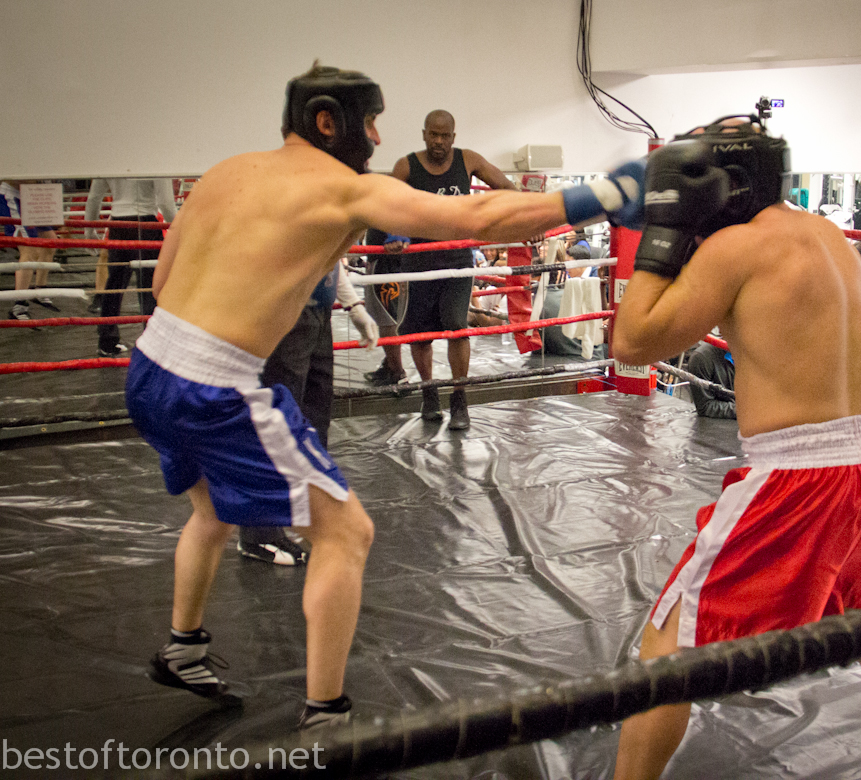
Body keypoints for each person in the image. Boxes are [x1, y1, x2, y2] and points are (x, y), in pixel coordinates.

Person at [128, 61, 643, 728]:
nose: (376, 136)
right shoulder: (346, 189)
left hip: (150, 368)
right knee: (347, 534)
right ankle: (328, 717)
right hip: (214, 384)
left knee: (209, 512)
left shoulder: (225, 172)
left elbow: (163, 285)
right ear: (327, 121)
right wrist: (605, 193)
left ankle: (184, 647)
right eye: (370, 122)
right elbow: (480, 215)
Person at [610, 114, 861, 780]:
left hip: (800, 479)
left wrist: (663, 233)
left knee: (667, 643)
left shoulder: (737, 249)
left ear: (725, 185)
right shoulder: (828, 234)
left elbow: (631, 343)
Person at [376, 109, 519, 430]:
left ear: (453, 137)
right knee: (420, 335)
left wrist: (528, 220)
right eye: (433, 135)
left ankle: (459, 399)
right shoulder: (406, 166)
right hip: (418, 265)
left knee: (456, 325)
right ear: (424, 134)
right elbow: (386, 203)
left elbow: (506, 187)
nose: (439, 141)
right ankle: (429, 393)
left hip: (456, 262)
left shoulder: (467, 160)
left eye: (445, 136)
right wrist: (395, 234)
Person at [238, 260, 379, 566]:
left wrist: (353, 304)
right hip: (283, 311)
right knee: (278, 422)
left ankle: (305, 512)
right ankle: (258, 531)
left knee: (315, 418)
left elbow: (329, 255)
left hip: (318, 312)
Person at [84, 178, 177, 356]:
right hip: (147, 224)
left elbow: (94, 198)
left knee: (114, 285)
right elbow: (165, 202)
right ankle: (153, 345)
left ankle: (107, 342)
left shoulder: (108, 162)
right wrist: (181, 228)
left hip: (118, 224)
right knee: (150, 287)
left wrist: (89, 231)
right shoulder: (157, 161)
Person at [2, 180, 62, 321]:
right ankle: (19, 305)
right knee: (29, 250)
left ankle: (40, 289)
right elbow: (11, 178)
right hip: (13, 195)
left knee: (50, 241)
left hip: (34, 197)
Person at [685, 340, 736, 419]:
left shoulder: (752, 355)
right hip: (720, 422)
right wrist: (744, 410)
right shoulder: (702, 358)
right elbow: (705, 407)